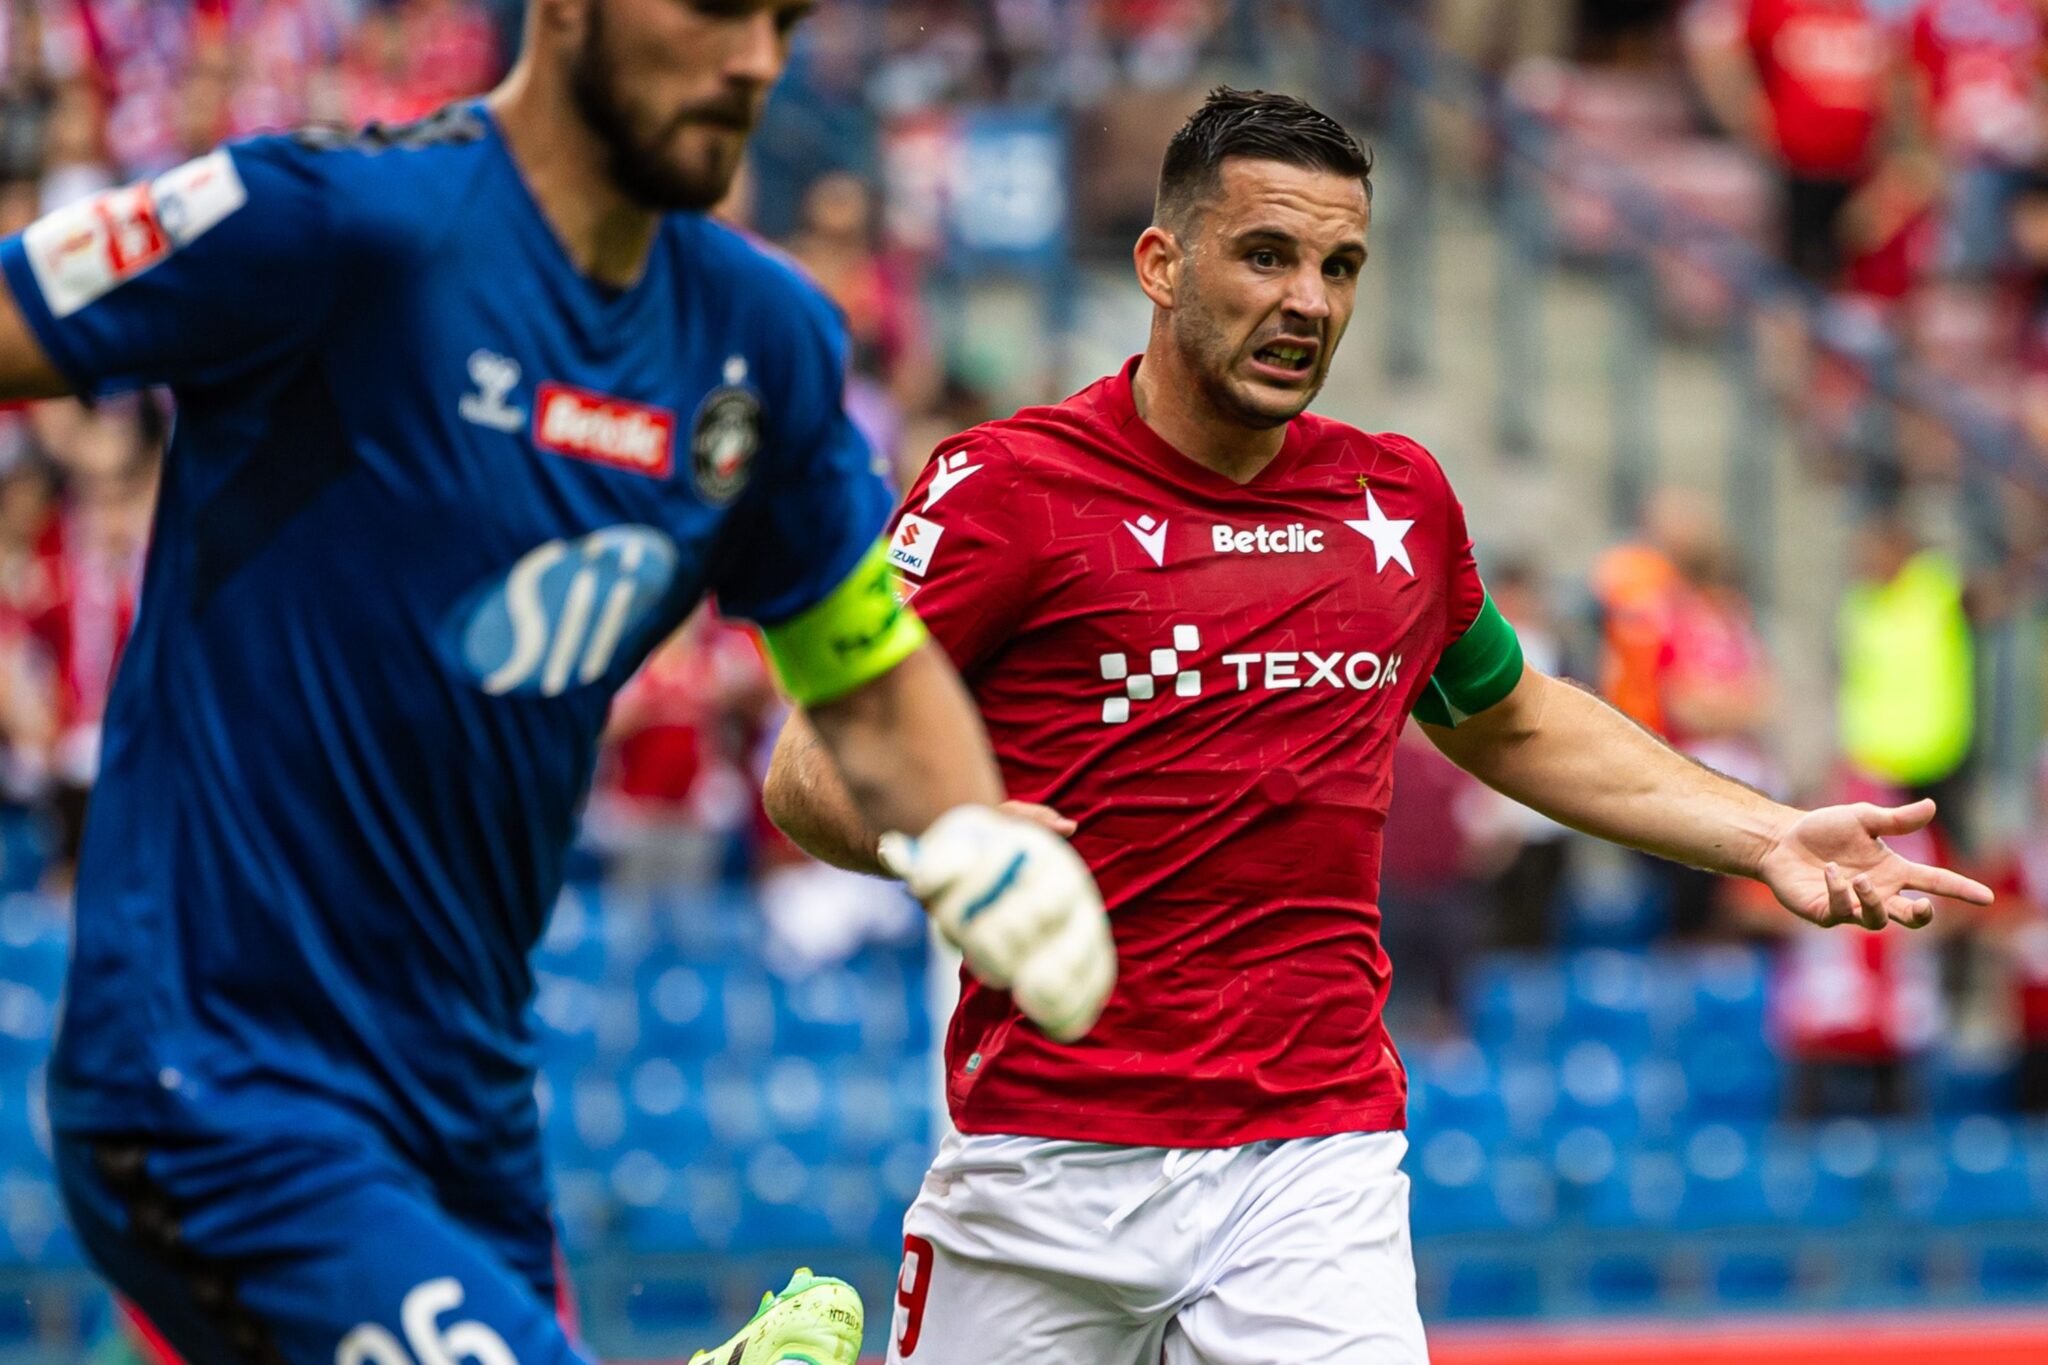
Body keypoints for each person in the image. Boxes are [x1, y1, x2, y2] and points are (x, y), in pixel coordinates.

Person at [763, 88, 1995, 1363]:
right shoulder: (1007, 487)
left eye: (1338, 266)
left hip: (1313, 1160)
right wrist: (944, 827)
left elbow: (1508, 721)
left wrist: (1766, 833)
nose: (1308, 299)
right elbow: (809, 765)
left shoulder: (1393, 499)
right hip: (1045, 1156)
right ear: (1159, 263)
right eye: (1265, 255)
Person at [0, 0, 1121, 1361]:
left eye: (784, 19)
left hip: (467, 1127)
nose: (756, 59)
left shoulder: (757, 346)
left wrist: (973, 836)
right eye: (715, 8)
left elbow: (872, 684)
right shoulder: (328, 225)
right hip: (215, 1086)